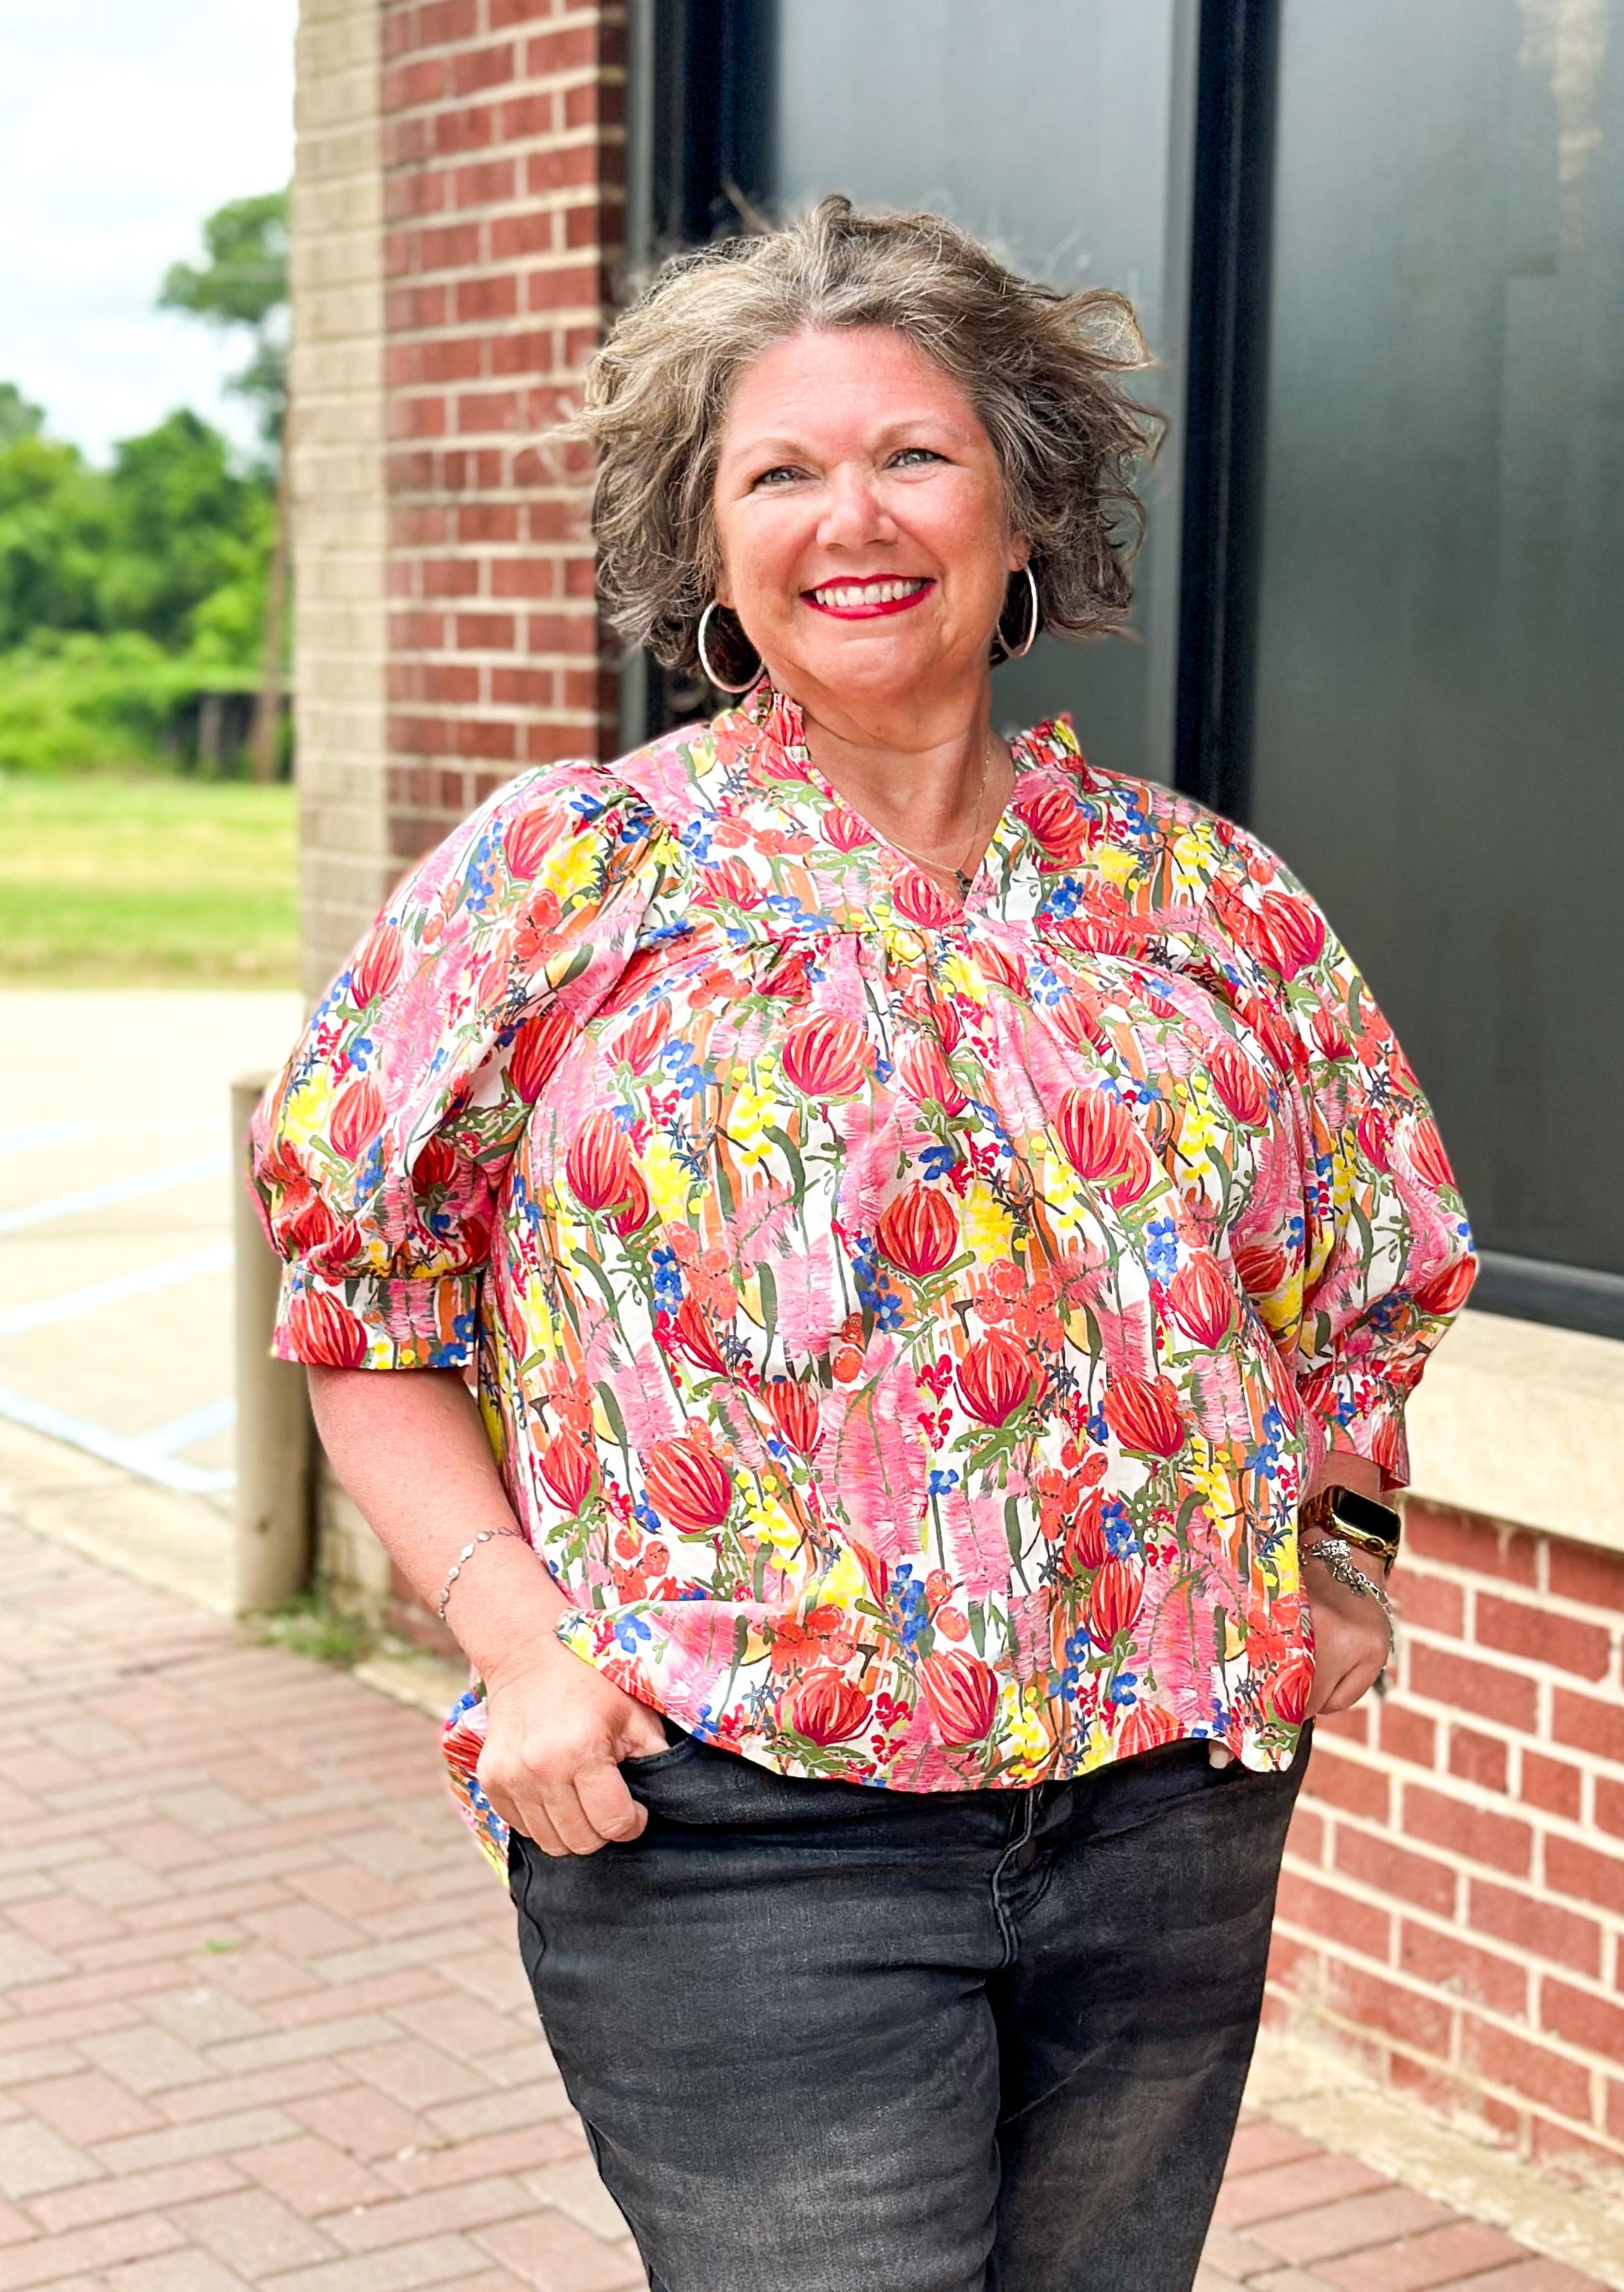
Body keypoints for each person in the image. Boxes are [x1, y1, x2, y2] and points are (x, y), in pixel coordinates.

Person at [252, 198, 1476, 2292]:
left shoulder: (1202, 895)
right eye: (780, 470)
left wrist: (1339, 1558)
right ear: (709, 542)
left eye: (913, 453)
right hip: (735, 1829)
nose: (854, 517)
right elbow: (360, 1290)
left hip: (1166, 1809)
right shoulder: (574, 873)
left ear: (1020, 500)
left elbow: (1364, 1271)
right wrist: (520, 1644)